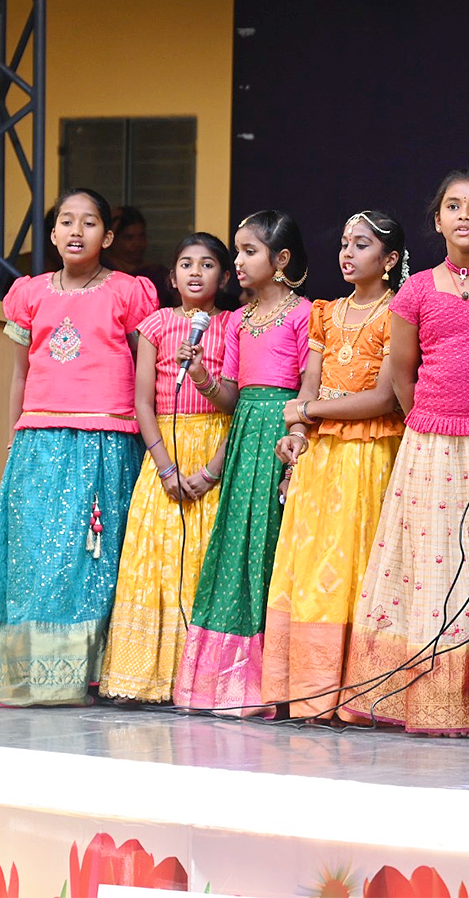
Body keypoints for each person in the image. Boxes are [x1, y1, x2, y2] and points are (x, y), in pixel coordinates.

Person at [339, 170, 469, 733]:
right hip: (430, 443)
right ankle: (425, 696)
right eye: (453, 206)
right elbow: (402, 374)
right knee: (426, 570)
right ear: (437, 220)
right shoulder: (416, 290)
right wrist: (433, 416)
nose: (464, 216)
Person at [0, 188, 157, 705]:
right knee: (35, 555)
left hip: (105, 440)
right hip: (38, 441)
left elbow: (145, 374)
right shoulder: (29, 293)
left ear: (107, 235)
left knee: (92, 558)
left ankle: (95, 672)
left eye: (90, 222)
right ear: (53, 233)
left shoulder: (128, 292)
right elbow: (21, 376)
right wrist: (16, 437)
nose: (77, 231)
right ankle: (27, 672)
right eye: (66, 222)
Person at [260, 211, 408, 721]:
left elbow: (385, 398)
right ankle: (307, 690)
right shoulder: (325, 312)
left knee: (354, 563)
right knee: (311, 566)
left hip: (368, 453)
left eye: (362, 245)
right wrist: (297, 434)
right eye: (344, 243)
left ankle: (356, 694)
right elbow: (310, 383)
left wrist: (308, 412)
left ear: (389, 261)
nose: (347, 253)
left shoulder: (397, 313)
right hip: (320, 456)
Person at [173, 210, 312, 714]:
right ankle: (234, 687)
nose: (239, 261)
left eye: (248, 251)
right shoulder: (235, 321)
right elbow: (232, 397)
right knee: (238, 547)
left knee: (275, 548)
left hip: (284, 434)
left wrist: (296, 432)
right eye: (238, 251)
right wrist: (202, 374)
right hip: (245, 433)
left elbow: (306, 387)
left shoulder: (305, 314)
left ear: (281, 260)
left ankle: (280, 683)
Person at [99, 233, 233, 703]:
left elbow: (236, 402)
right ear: (172, 277)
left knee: (202, 559)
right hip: (165, 452)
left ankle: (198, 680)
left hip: (213, 443)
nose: (196, 272)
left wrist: (211, 469)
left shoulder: (235, 325)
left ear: (226, 275)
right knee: (155, 559)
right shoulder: (155, 325)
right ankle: (146, 676)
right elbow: (141, 401)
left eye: (208, 264)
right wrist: (164, 467)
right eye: (185, 263)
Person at [104, 206, 172, 303]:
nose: (137, 243)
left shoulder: (157, 274)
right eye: (128, 238)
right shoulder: (102, 270)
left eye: (141, 236)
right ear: (112, 239)